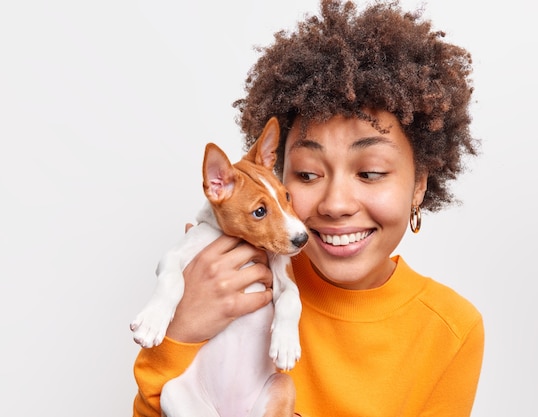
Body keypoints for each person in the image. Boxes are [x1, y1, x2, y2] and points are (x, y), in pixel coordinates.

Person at [132, 0, 484, 415]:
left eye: (370, 173)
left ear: (419, 185)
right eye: (307, 175)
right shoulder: (231, 278)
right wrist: (181, 330)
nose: (335, 204)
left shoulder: (451, 329)